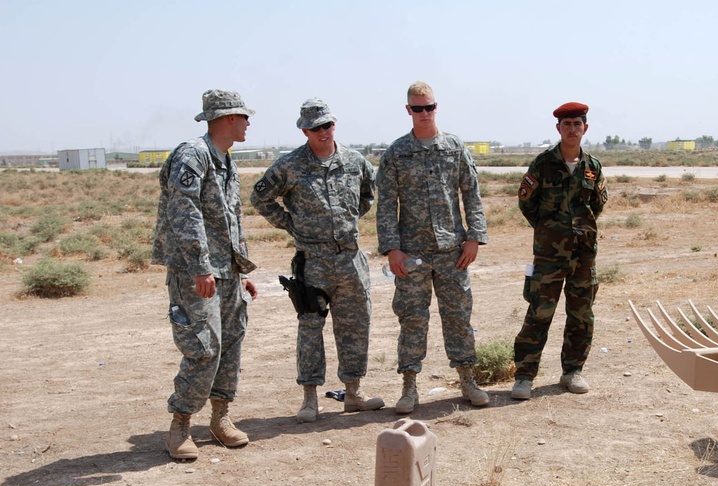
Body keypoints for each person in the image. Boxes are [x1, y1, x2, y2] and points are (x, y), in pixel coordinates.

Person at [251, 99, 383, 422]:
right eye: (316, 128)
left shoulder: (354, 161)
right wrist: (289, 223)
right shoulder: (290, 166)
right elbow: (259, 197)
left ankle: (353, 393)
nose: (323, 132)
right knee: (310, 329)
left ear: (334, 125)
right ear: (304, 130)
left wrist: (349, 219)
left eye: (328, 125)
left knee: (355, 326)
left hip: (350, 259)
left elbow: (368, 194)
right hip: (314, 261)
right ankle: (310, 399)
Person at [152, 89, 258, 461]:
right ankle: (180, 424)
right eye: (244, 117)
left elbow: (231, 218)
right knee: (203, 346)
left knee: (230, 344)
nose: (248, 123)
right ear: (228, 118)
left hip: (226, 272)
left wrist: (240, 269)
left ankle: (220, 417)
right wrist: (200, 266)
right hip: (196, 272)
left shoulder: (225, 160)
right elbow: (186, 213)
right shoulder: (192, 155)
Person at [376, 81, 490, 414]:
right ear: (408, 110)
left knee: (458, 317)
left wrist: (474, 236)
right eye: (417, 108)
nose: (424, 113)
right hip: (412, 255)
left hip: (453, 251)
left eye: (429, 107)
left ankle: (468, 380)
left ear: (436, 107)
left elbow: (471, 194)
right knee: (412, 319)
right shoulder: (396, 153)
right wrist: (392, 249)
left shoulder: (455, 148)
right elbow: (386, 205)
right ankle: (409, 387)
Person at [510, 102, 608, 401]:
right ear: (558, 129)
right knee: (539, 313)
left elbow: (598, 205)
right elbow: (527, 202)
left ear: (585, 128)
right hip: (549, 255)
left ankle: (572, 371)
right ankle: (524, 376)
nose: (572, 129)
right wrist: (548, 230)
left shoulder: (593, 167)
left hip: (583, 255)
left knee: (581, 315)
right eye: (567, 124)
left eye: (577, 124)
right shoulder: (542, 164)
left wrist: (578, 230)